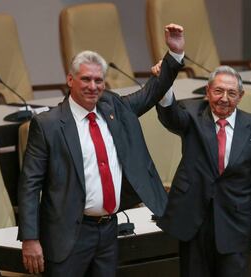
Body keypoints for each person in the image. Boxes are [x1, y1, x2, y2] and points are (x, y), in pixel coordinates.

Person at [17, 23, 185, 276]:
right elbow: (30, 184)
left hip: (108, 232)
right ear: (70, 79)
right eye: (85, 79)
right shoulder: (48, 125)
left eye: (98, 80)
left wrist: (173, 55)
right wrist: (30, 238)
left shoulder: (114, 107)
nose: (92, 86)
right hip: (68, 235)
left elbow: (150, 93)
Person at [153, 65, 251, 277]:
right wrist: (164, 83)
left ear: (241, 96)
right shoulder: (192, 115)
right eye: (218, 91)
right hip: (194, 222)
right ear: (208, 91)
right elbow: (170, 116)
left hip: (235, 223)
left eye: (231, 93)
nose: (224, 98)